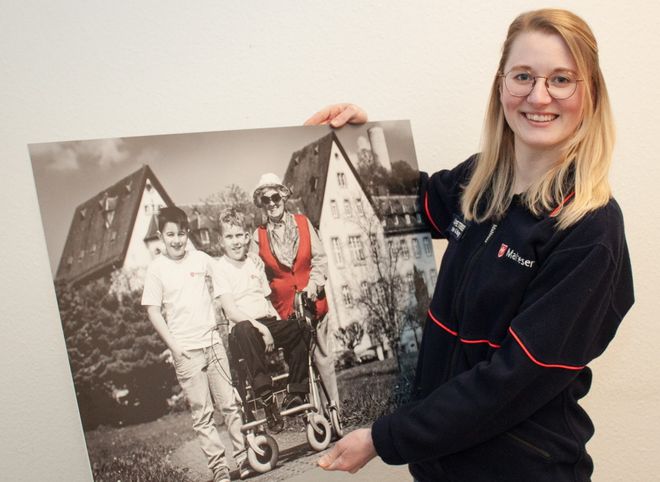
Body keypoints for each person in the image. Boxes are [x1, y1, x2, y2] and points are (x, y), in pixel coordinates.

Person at [308, 8, 634, 482]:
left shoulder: (591, 230)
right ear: (501, 85)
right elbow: (403, 201)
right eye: (523, 76)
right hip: (441, 467)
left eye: (561, 79)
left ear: (590, 94)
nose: (539, 96)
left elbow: (511, 382)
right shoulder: (481, 181)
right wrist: (362, 138)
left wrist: (385, 438)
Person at [141, 206, 247, 482]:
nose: (176, 240)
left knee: (230, 405)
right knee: (202, 414)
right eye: (170, 235)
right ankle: (219, 469)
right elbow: (153, 310)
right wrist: (174, 347)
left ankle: (245, 457)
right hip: (186, 351)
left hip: (213, 344)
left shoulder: (201, 259)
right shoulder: (156, 270)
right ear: (161, 236)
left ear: (188, 233)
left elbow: (227, 268)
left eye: (181, 234)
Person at [214, 207, 309, 433]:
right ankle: (266, 398)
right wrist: (262, 329)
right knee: (246, 329)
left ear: (247, 237)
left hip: (264, 322)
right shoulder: (220, 268)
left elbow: (266, 301)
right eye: (229, 237)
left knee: (301, 327)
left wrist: (277, 325)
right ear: (221, 241)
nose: (235, 242)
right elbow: (231, 310)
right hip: (243, 331)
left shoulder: (253, 264)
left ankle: (295, 393)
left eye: (239, 235)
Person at [251, 173, 340, 409]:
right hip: (286, 312)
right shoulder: (257, 237)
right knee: (298, 363)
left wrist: (313, 285)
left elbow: (320, 259)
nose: (271, 203)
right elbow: (254, 275)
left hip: (313, 302)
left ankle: (334, 410)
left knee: (322, 359)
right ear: (261, 203)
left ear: (283, 197)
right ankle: (313, 414)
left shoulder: (303, 223)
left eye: (275, 197)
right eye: (266, 199)